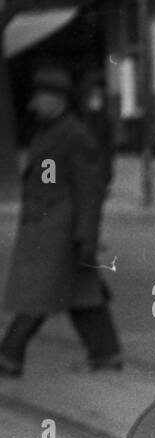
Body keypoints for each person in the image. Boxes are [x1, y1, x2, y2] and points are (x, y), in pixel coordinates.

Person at [0, 65, 122, 378]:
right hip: (49, 228)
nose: (33, 104)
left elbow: (89, 191)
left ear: (56, 100)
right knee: (81, 294)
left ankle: (9, 353)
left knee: (38, 293)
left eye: (39, 97)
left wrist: (86, 238)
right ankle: (106, 353)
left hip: (60, 232)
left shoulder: (74, 136)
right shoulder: (53, 131)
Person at [80, 80, 115, 191]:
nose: (95, 101)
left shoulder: (103, 115)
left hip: (102, 148)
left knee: (102, 167)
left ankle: (101, 184)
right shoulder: (89, 116)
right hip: (95, 147)